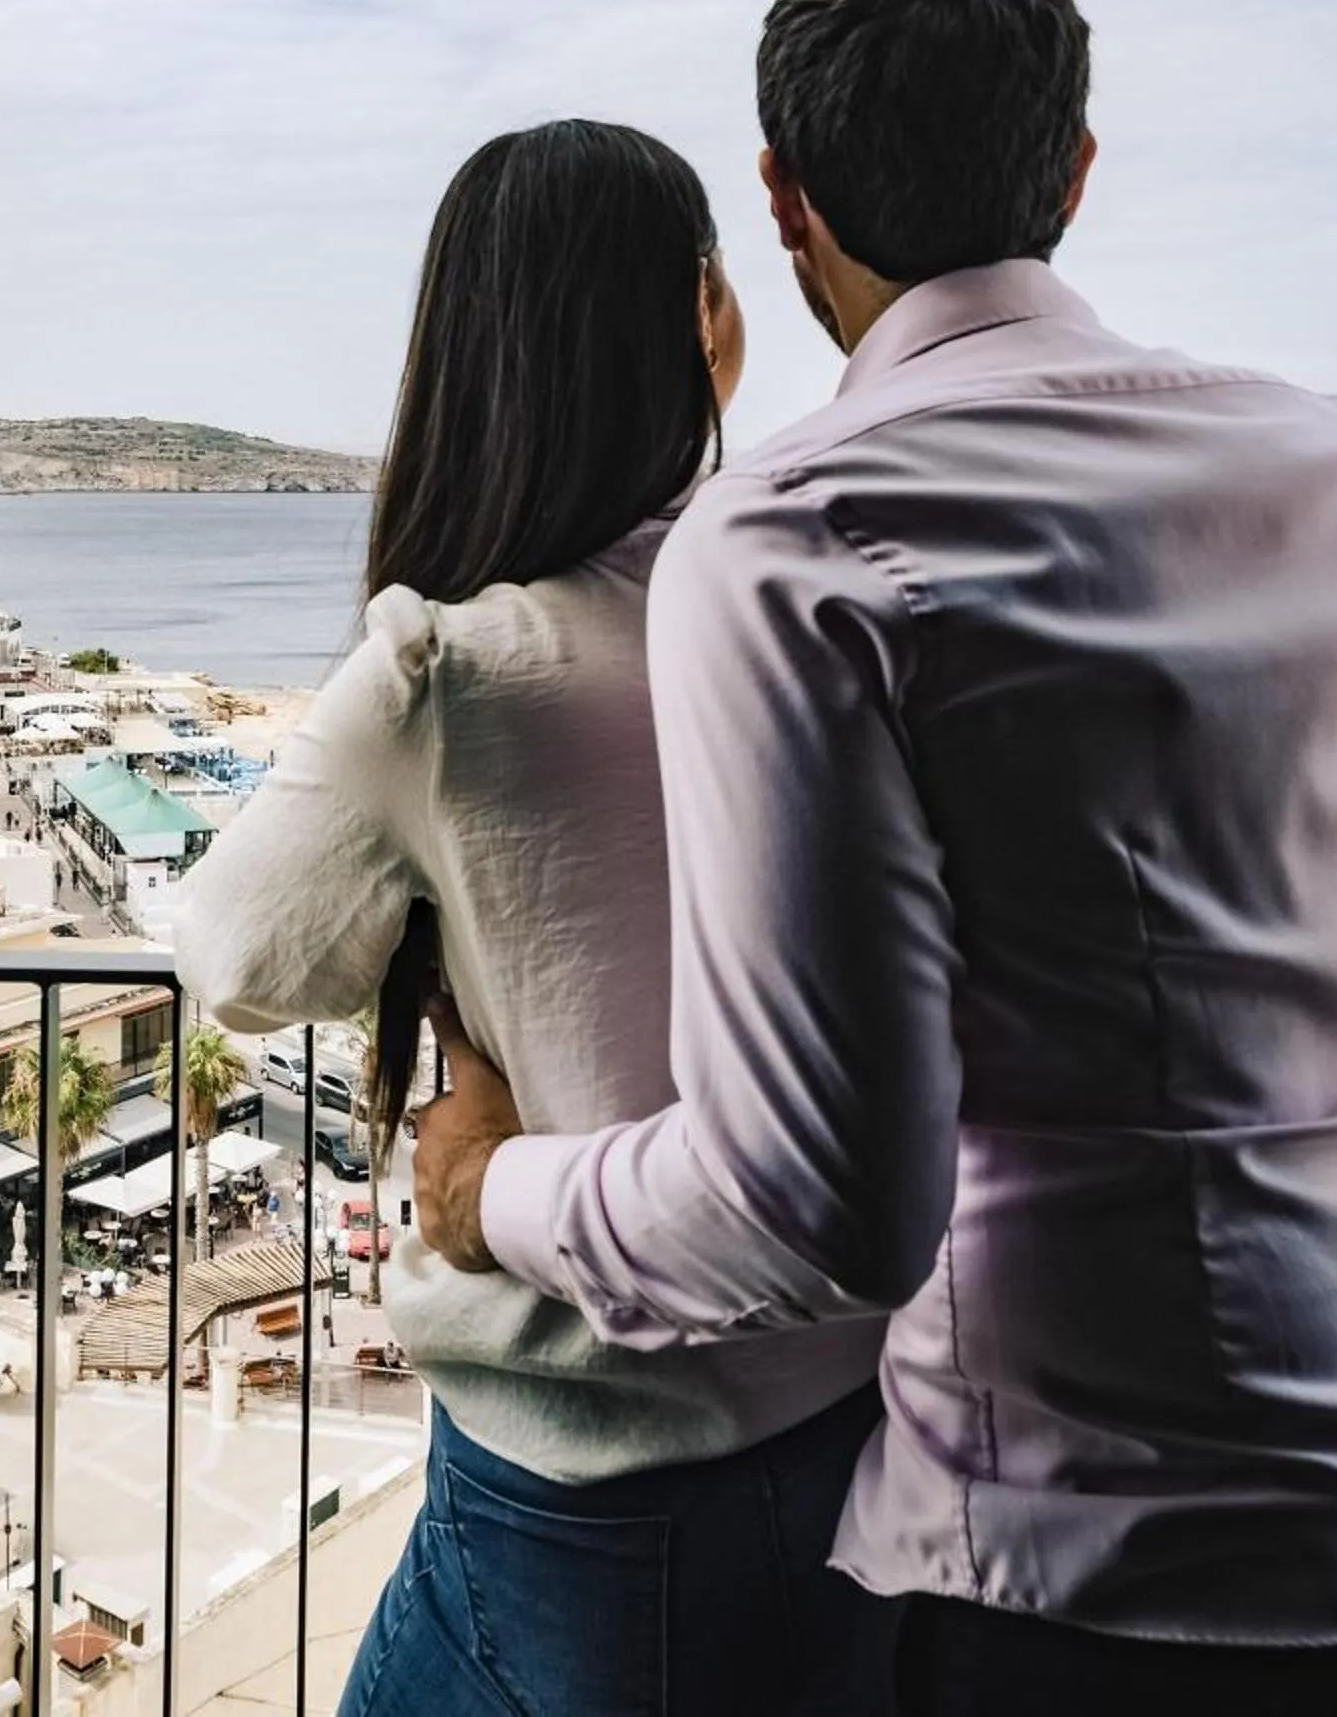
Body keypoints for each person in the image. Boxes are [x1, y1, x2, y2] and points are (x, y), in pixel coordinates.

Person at [410, 0, 1337, 1717]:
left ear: (789, 201)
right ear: (1076, 171)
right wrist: (1298, 977)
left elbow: (814, 1205)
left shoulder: (793, 537)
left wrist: (496, 1191)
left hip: (1084, 1595)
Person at [176, 120, 896, 1716]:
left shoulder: (450, 673)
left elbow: (233, 953)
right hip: (856, 1433)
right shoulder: (819, 607)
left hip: (580, 1479)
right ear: (711, 319)